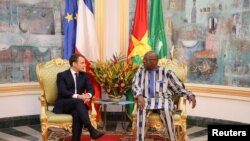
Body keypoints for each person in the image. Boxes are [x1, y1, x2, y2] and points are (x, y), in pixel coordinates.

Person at [132, 51, 196, 141]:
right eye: (144, 59)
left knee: (166, 109)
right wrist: (139, 96)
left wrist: (190, 95)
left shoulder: (166, 72)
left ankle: (172, 138)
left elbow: (179, 87)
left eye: (147, 60)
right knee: (141, 110)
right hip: (146, 100)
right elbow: (135, 85)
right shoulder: (141, 71)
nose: (144, 61)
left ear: (155, 61)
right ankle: (140, 139)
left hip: (163, 100)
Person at [53, 54, 104, 141]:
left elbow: (91, 89)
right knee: (78, 101)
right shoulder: (61, 75)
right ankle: (91, 129)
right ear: (74, 64)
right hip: (64, 104)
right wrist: (79, 96)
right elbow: (62, 91)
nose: (85, 65)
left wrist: (87, 96)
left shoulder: (84, 75)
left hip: (78, 105)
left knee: (77, 113)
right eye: (82, 63)